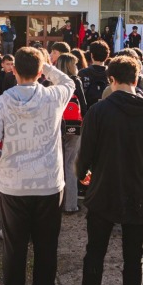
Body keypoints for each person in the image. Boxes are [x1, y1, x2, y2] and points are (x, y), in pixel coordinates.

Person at [0, 47, 75, 285]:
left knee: (15, 248)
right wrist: (47, 65)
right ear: (41, 71)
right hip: (49, 183)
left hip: (14, 184)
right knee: (46, 248)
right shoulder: (53, 96)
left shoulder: (2, 103)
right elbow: (69, 81)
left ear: (13, 70)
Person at [76, 56, 143, 285]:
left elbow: (84, 154)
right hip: (138, 192)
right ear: (136, 79)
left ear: (111, 80)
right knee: (134, 258)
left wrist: (83, 174)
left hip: (103, 190)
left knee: (95, 253)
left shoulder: (98, 111)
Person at [56, 53, 87, 214]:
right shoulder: (75, 81)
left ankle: (56, 203)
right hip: (74, 127)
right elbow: (83, 104)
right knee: (71, 165)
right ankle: (70, 205)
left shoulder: (51, 82)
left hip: (56, 127)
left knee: (56, 165)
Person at [78, 41, 110, 107]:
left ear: (91, 55)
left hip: (88, 111)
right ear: (107, 56)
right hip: (108, 111)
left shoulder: (82, 73)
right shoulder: (112, 74)